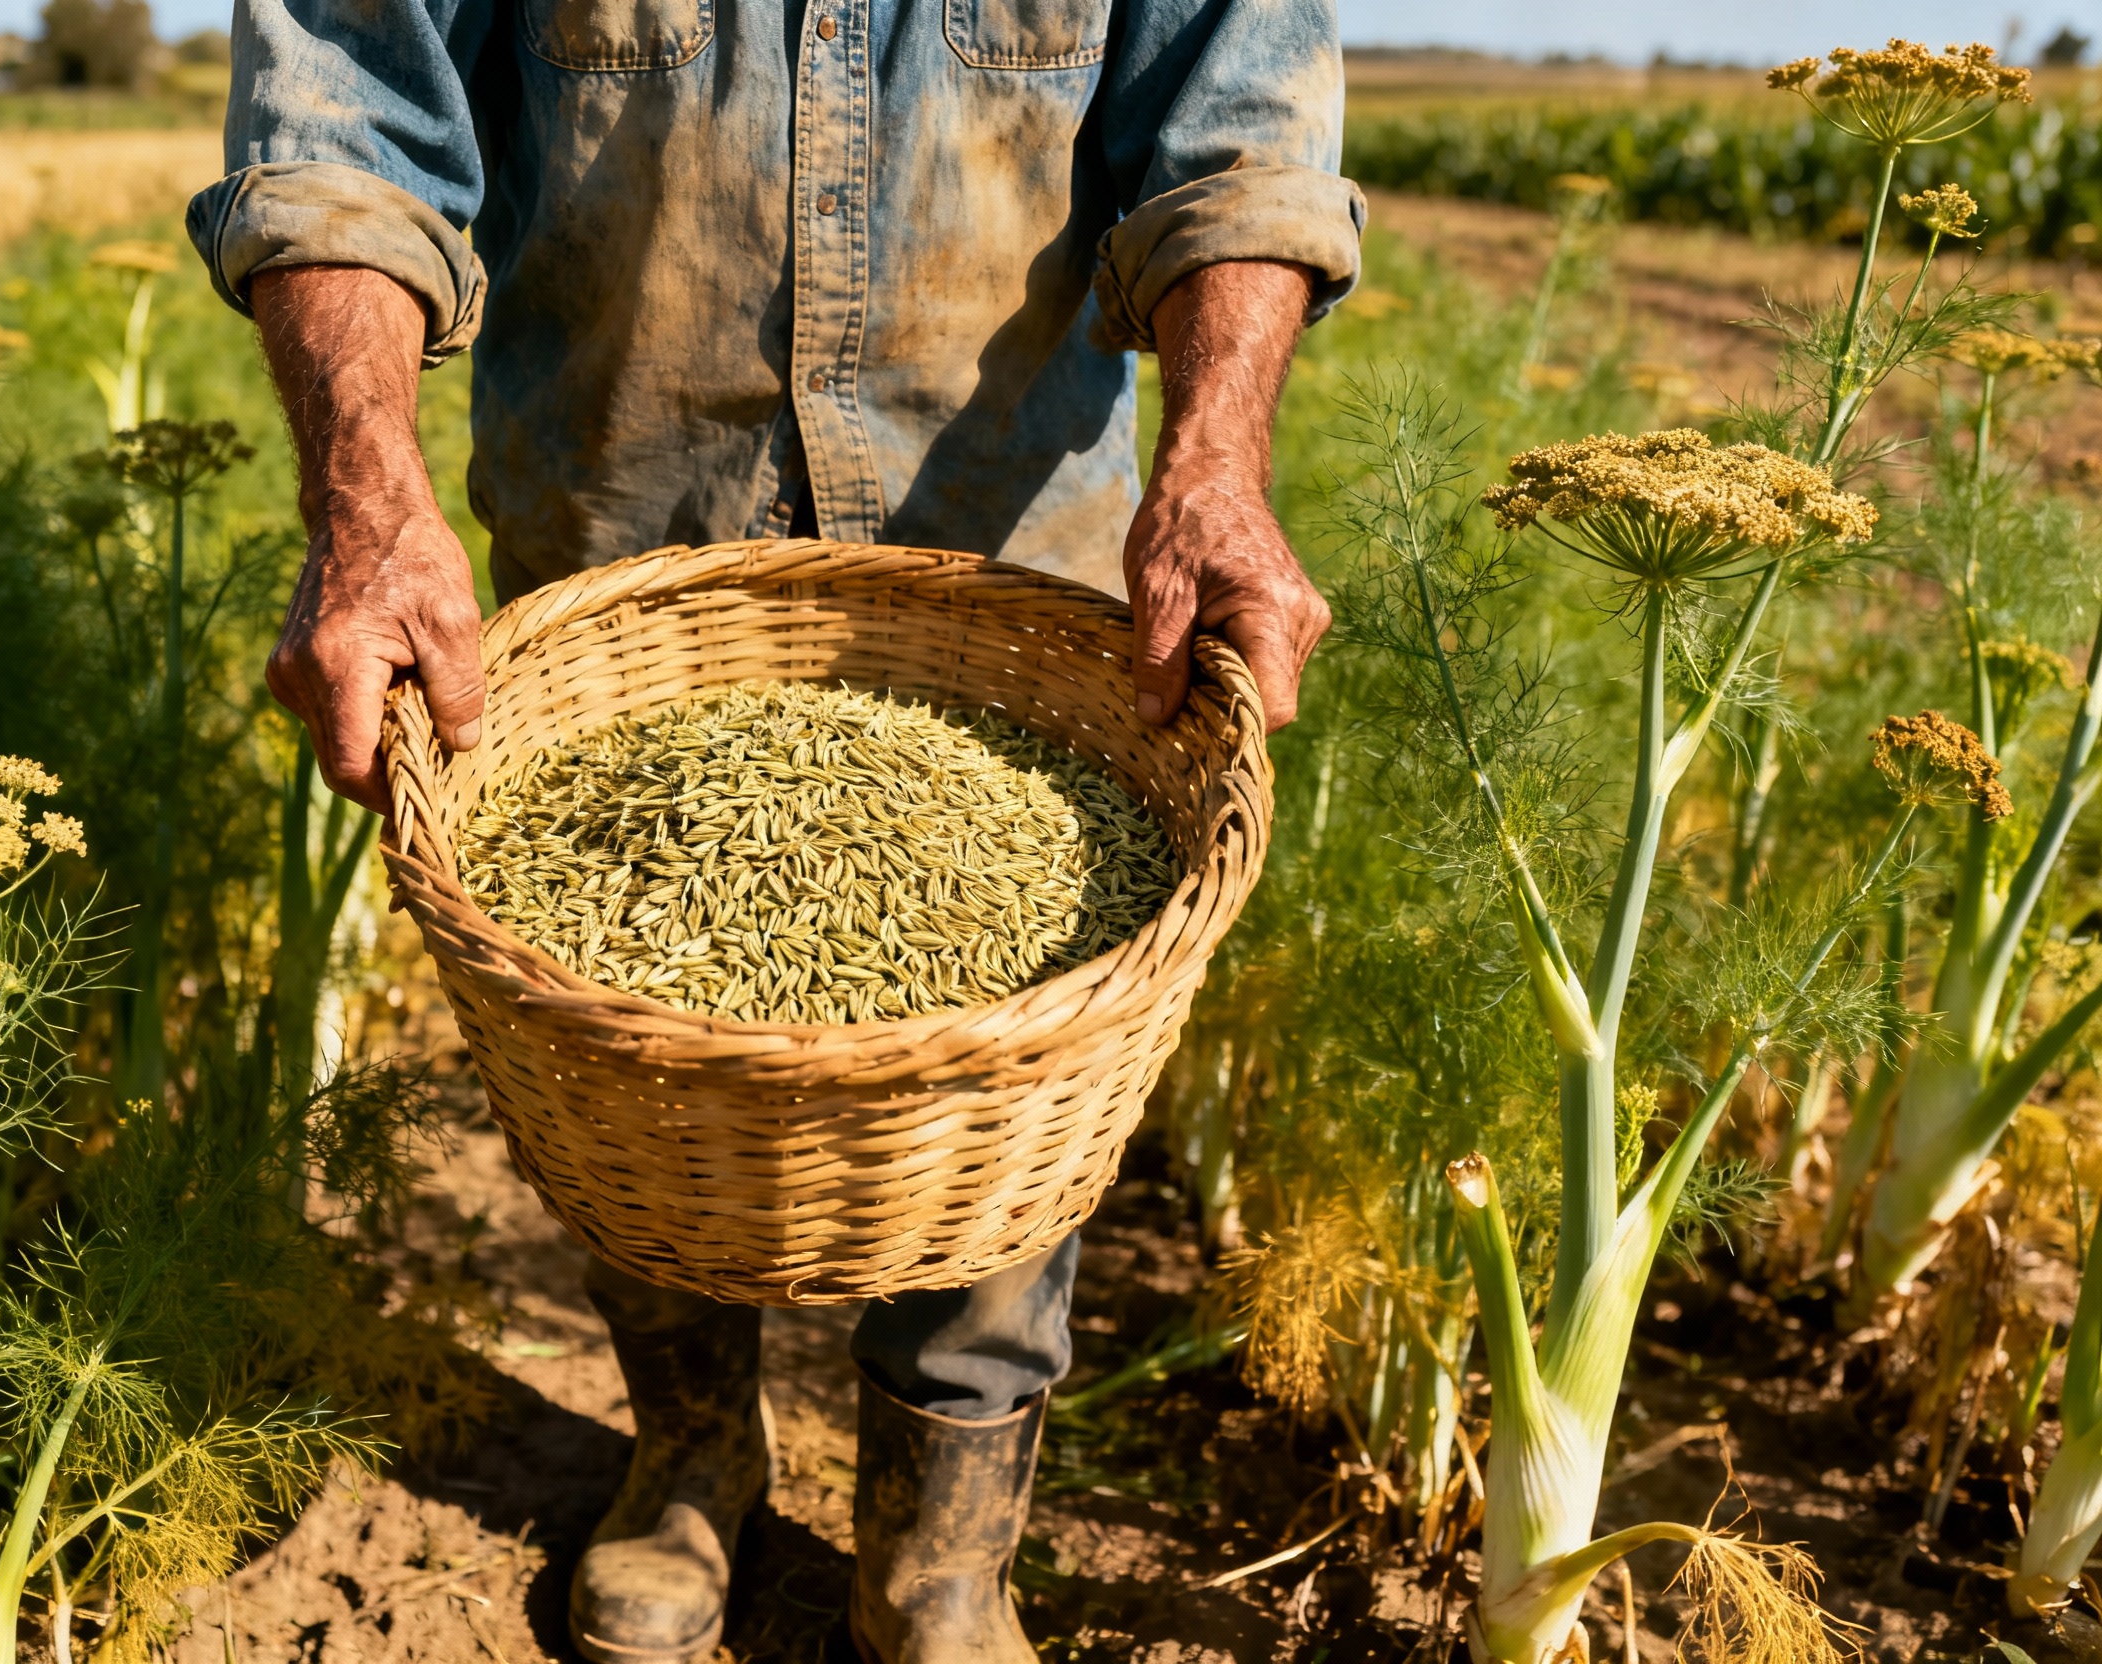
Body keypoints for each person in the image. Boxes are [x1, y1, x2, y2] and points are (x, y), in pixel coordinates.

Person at [186, 0, 1359, 1652]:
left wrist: (1221, 459)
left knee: (1008, 1058)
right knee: (630, 1056)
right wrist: (365, 506)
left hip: (1007, 560)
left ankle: (942, 1548)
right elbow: (343, 128)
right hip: (621, 546)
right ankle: (688, 1451)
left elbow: (1237, 139)